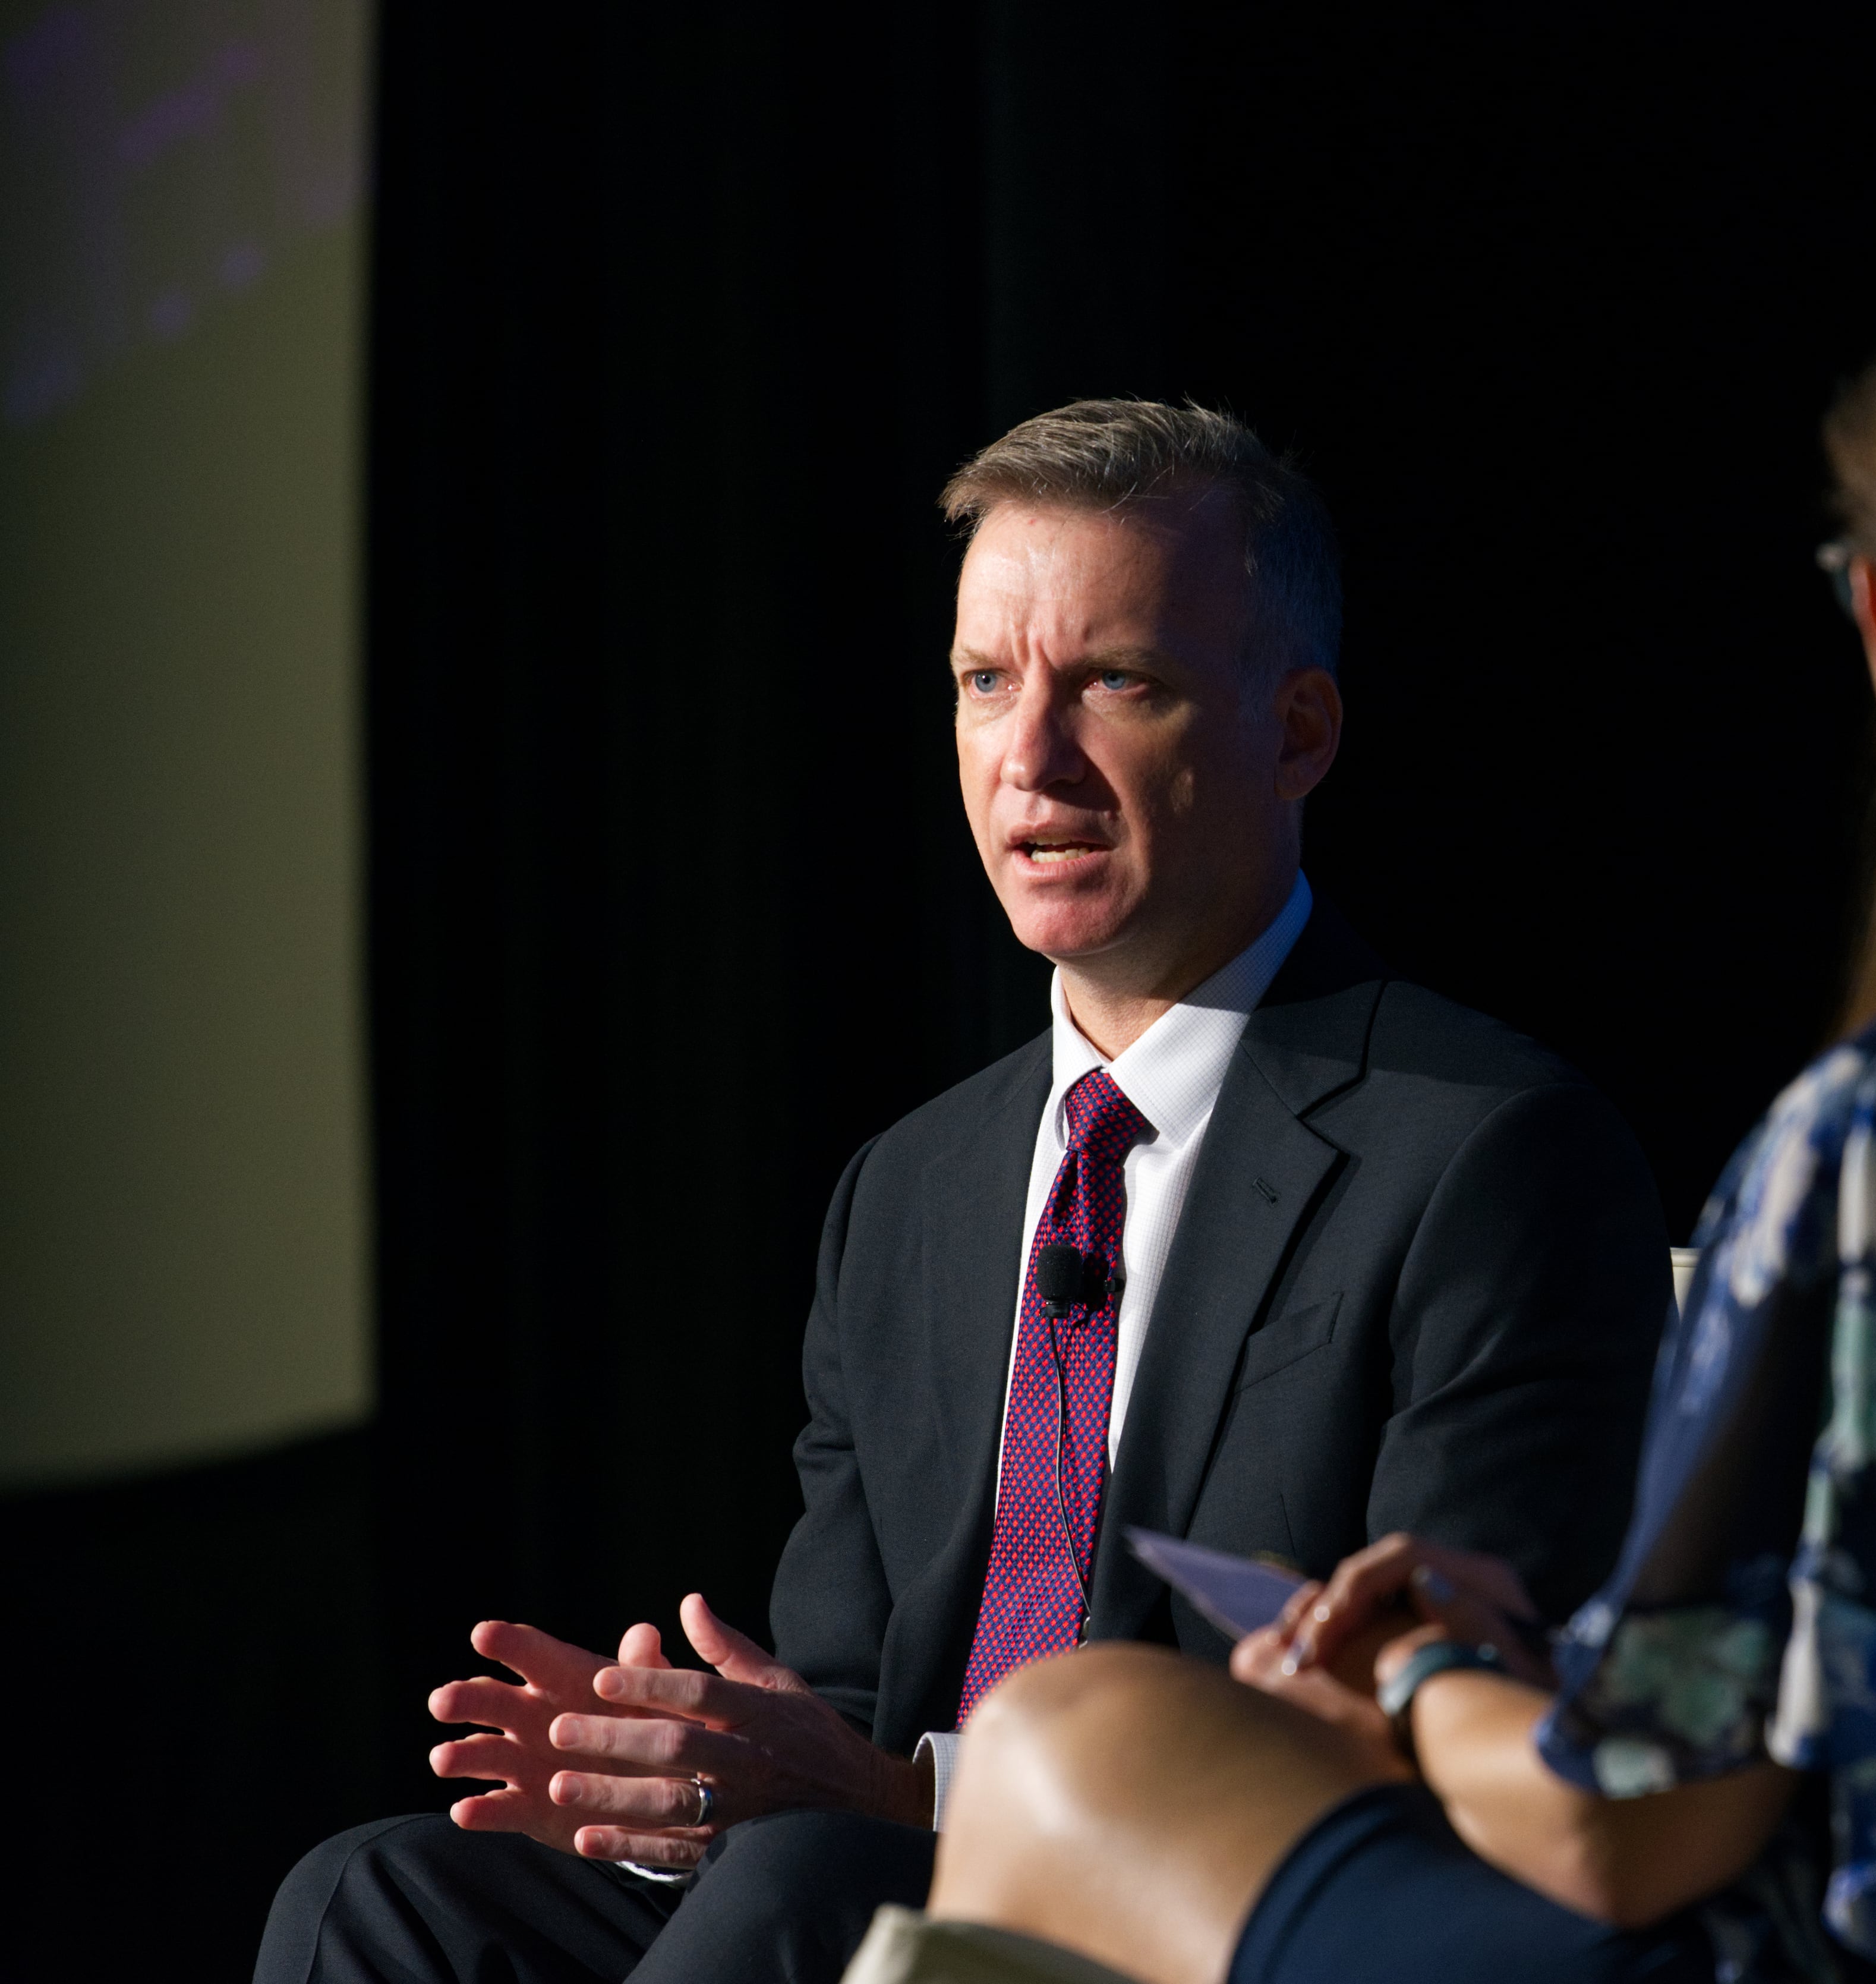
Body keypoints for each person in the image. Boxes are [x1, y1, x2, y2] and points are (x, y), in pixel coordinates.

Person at [898, 269, 1876, 1984]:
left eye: (1117, 680)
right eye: (982, 679)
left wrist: (1414, 1671)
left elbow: (1629, 1816)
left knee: (1072, 1743)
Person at [256, 402, 1675, 1984]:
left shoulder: (1485, 1151)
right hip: (863, 1883)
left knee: (809, 1882)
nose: (1030, 758)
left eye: (1115, 683)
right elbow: (853, 1707)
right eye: (986, 682)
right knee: (372, 1897)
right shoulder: (910, 1192)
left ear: (1300, 731)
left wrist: (886, 1795)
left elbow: (1437, 1725)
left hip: (1218, 1922)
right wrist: (697, 1768)